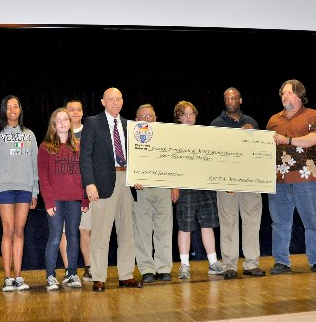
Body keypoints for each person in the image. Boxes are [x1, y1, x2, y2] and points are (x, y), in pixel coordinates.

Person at [79, 87, 142, 292]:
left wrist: (138, 176)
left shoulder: (128, 125)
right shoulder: (92, 123)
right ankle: (98, 276)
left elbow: (137, 156)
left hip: (126, 180)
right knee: (100, 233)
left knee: (127, 232)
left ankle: (125, 275)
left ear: (122, 101)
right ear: (103, 102)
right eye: (110, 99)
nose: (115, 102)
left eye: (118, 99)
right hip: (103, 182)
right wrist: (89, 183)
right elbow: (85, 157)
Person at [266, 79, 316, 274]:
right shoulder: (273, 120)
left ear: (300, 96)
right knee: (279, 223)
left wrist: (289, 140)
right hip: (279, 181)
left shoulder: (313, 115)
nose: (285, 96)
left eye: (290, 93)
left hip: (307, 180)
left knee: (312, 221)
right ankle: (281, 262)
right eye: (283, 93)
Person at [0, 95, 38, 292]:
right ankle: (7, 277)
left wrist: (35, 191)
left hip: (24, 188)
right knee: (8, 230)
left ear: (20, 109)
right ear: (4, 111)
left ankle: (18, 276)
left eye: (16, 106)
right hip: (3, 188)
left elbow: (34, 165)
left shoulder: (29, 135)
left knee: (19, 230)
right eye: (9, 107)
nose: (13, 110)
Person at [210, 88, 265, 279]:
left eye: (233, 98)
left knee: (252, 221)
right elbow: (214, 155)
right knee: (228, 223)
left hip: (250, 181)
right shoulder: (216, 124)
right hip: (228, 185)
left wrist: (252, 137)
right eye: (227, 98)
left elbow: (260, 153)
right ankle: (229, 265)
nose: (230, 101)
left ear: (240, 100)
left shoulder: (252, 123)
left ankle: (251, 263)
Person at [38, 108, 89, 291]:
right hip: (56, 200)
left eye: (65, 119)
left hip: (74, 199)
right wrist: (49, 201)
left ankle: (72, 273)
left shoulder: (78, 146)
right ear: (53, 124)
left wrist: (85, 199)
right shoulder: (45, 147)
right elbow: (43, 177)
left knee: (74, 236)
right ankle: (51, 275)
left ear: (70, 122)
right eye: (58, 120)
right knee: (55, 236)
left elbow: (85, 174)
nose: (62, 123)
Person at [172, 100, 223, 280]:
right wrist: (175, 186)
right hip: (185, 187)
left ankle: (213, 262)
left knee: (207, 223)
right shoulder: (173, 136)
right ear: (178, 118)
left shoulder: (204, 134)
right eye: (184, 114)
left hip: (204, 186)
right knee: (185, 226)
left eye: (191, 113)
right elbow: (171, 163)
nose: (188, 117)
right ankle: (184, 265)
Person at [132, 104, 173, 283]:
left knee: (164, 229)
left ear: (156, 118)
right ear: (136, 120)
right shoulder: (131, 137)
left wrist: (175, 186)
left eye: (150, 116)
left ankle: (164, 268)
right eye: (143, 117)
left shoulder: (166, 136)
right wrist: (133, 178)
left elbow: (174, 161)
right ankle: (147, 269)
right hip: (141, 189)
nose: (146, 119)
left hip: (163, 187)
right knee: (142, 231)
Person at [59, 98, 93, 283]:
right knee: (66, 232)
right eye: (71, 110)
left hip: (85, 190)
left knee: (85, 229)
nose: (75, 113)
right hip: (66, 193)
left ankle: (89, 268)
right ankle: (68, 269)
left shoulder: (89, 132)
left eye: (78, 110)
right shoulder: (59, 133)